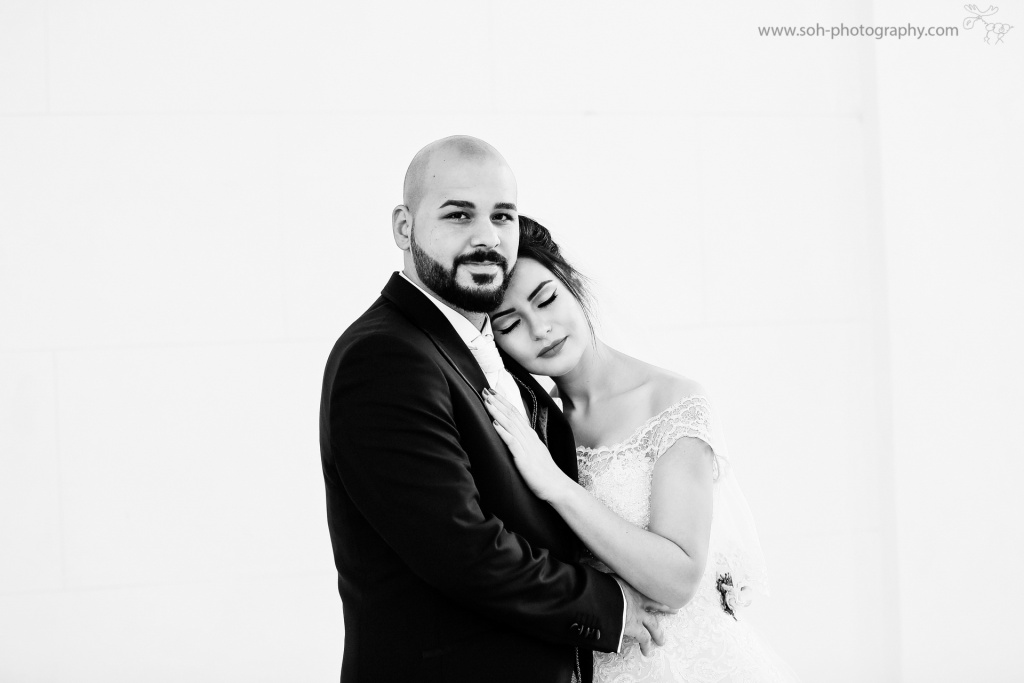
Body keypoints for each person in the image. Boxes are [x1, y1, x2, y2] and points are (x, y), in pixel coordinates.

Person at [319, 136, 669, 683]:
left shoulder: (492, 350)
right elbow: (462, 549)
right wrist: (608, 606)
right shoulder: (385, 357)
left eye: (502, 216)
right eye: (459, 215)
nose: (487, 237)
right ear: (404, 228)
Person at [484, 217, 802, 682]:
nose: (540, 329)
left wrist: (558, 487)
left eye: (546, 299)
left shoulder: (672, 402)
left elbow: (678, 580)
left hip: (684, 664)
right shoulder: (533, 424)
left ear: (572, 284)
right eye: (511, 324)